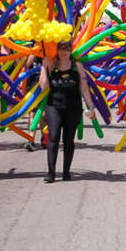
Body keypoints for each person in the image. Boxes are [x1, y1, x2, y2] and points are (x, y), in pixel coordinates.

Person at [38, 40, 94, 183]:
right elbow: (43, 87)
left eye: (66, 49)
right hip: (53, 107)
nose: (63, 52)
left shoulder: (77, 66)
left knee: (68, 140)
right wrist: (44, 68)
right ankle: (51, 173)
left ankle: (66, 172)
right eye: (61, 49)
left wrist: (91, 107)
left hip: (73, 109)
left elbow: (84, 88)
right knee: (53, 136)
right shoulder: (51, 64)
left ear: (71, 50)